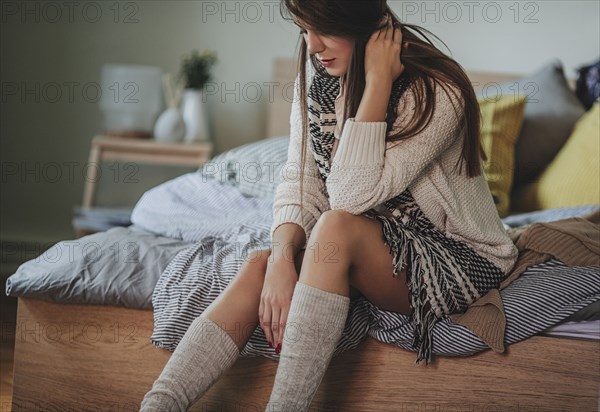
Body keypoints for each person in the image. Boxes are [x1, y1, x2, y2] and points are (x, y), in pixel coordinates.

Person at [140, 0, 518, 411]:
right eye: (304, 29)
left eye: (323, 28)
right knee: (260, 266)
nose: (314, 45)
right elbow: (301, 180)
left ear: (360, 19)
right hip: (371, 244)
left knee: (335, 227)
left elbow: (349, 199)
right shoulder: (316, 76)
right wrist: (283, 261)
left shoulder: (436, 90)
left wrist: (377, 84)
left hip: (452, 255)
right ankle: (159, 404)